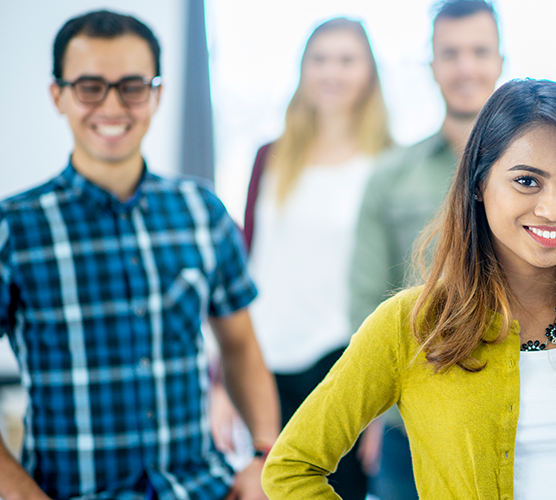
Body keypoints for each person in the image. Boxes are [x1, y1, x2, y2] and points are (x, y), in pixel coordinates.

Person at [262, 79, 556, 499]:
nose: (553, 209)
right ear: (478, 183)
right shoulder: (410, 325)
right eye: (527, 181)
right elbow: (291, 468)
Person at [0, 10, 279, 500]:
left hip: (200, 490)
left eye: (132, 86)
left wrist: (263, 457)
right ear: (57, 95)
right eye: (89, 86)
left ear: (157, 94)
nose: (112, 106)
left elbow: (240, 346)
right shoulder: (13, 227)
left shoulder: (202, 211)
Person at [348, 1, 503, 497]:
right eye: (450, 53)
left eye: (480, 51)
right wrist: (378, 407)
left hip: (517, 415)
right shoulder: (392, 178)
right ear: (431, 64)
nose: (466, 68)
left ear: (501, 59)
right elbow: (365, 301)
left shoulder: (545, 181)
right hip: (410, 425)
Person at [232, 17, 391, 500]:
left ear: (369, 73)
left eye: (347, 59)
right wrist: (223, 382)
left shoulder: (387, 165)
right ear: (303, 70)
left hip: (341, 367)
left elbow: (396, 285)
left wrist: (385, 405)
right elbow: (243, 269)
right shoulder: (270, 157)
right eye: (319, 59)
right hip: (263, 367)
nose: (332, 72)